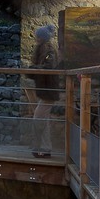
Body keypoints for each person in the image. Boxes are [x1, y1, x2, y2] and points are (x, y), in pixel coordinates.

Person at [28, 24, 60, 153]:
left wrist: (32, 69)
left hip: (48, 89)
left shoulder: (49, 49)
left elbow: (49, 67)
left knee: (38, 117)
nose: (37, 38)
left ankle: (41, 145)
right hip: (45, 88)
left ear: (42, 37)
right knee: (43, 120)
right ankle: (45, 147)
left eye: (38, 36)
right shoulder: (42, 49)